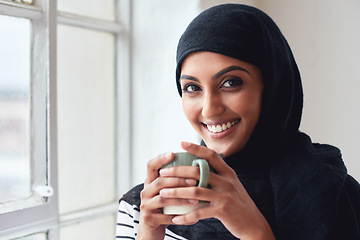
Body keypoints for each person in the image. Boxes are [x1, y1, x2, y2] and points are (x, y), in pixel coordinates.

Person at [116, 4, 360, 240]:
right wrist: (149, 234)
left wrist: (254, 232)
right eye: (192, 88)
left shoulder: (335, 196)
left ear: (273, 86)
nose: (210, 109)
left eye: (231, 82)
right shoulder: (145, 208)